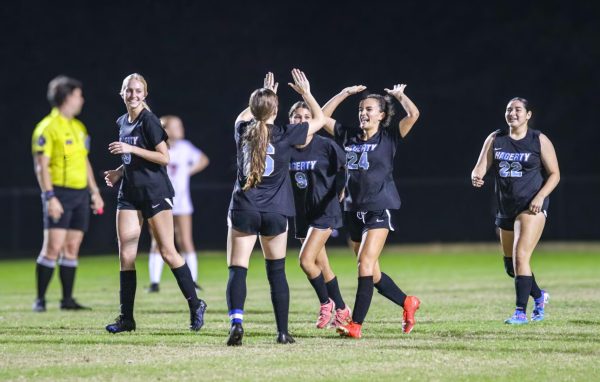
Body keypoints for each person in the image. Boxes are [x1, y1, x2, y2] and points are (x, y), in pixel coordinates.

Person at [226, 70, 326, 346]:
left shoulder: (242, 130)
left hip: (244, 208)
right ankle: (282, 332)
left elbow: (245, 116)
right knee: (277, 272)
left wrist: (263, 94)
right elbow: (319, 120)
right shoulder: (284, 134)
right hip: (275, 212)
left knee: (238, 269)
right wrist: (305, 93)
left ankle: (236, 322)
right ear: (277, 110)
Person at [103, 73, 206, 333]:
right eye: (129, 90)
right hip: (129, 193)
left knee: (167, 251)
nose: (133, 95)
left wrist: (131, 150)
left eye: (138, 91)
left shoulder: (149, 121)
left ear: (145, 94)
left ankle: (195, 304)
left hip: (155, 192)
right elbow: (132, 161)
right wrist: (118, 172)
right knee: (126, 254)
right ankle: (127, 318)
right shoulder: (122, 122)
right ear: (122, 93)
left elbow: (164, 157)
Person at [321, 84, 421, 339]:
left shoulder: (388, 137)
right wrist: (343, 94)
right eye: (360, 109)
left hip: (379, 208)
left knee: (364, 263)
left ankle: (356, 325)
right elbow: (321, 117)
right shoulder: (349, 136)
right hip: (353, 210)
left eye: (369, 109)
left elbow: (413, 115)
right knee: (372, 272)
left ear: (381, 115)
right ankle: (408, 302)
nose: (363, 113)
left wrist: (400, 97)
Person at [471, 97, 559, 324]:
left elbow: (555, 174)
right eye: (509, 109)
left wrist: (540, 197)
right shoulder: (496, 138)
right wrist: (476, 176)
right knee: (512, 267)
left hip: (531, 207)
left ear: (528, 115)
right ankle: (539, 297)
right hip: (505, 208)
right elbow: (480, 167)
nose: (513, 113)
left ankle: (521, 312)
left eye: (518, 110)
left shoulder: (538, 140)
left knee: (521, 258)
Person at [31, 75, 105, 312]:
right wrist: (49, 197)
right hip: (58, 194)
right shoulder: (47, 127)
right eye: (78, 95)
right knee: (52, 247)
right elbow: (41, 165)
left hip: (80, 194)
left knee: (72, 247)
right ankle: (40, 299)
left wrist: (94, 192)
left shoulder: (78, 127)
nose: (81, 99)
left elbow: (84, 162)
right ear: (67, 97)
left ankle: (67, 300)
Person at [288, 101, 351, 329]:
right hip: (303, 214)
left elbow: (347, 166)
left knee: (305, 261)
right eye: (297, 116)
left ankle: (326, 303)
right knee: (323, 267)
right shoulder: (286, 147)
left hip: (325, 211)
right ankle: (343, 309)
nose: (302, 120)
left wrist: (343, 187)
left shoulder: (325, 145)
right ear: (290, 120)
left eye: (307, 116)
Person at [147, 115, 210, 293]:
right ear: (165, 130)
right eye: (176, 126)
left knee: (185, 241)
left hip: (181, 201)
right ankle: (154, 282)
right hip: (159, 199)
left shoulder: (185, 147)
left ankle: (193, 280)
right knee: (157, 241)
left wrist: (187, 172)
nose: (180, 129)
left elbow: (203, 159)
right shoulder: (157, 147)